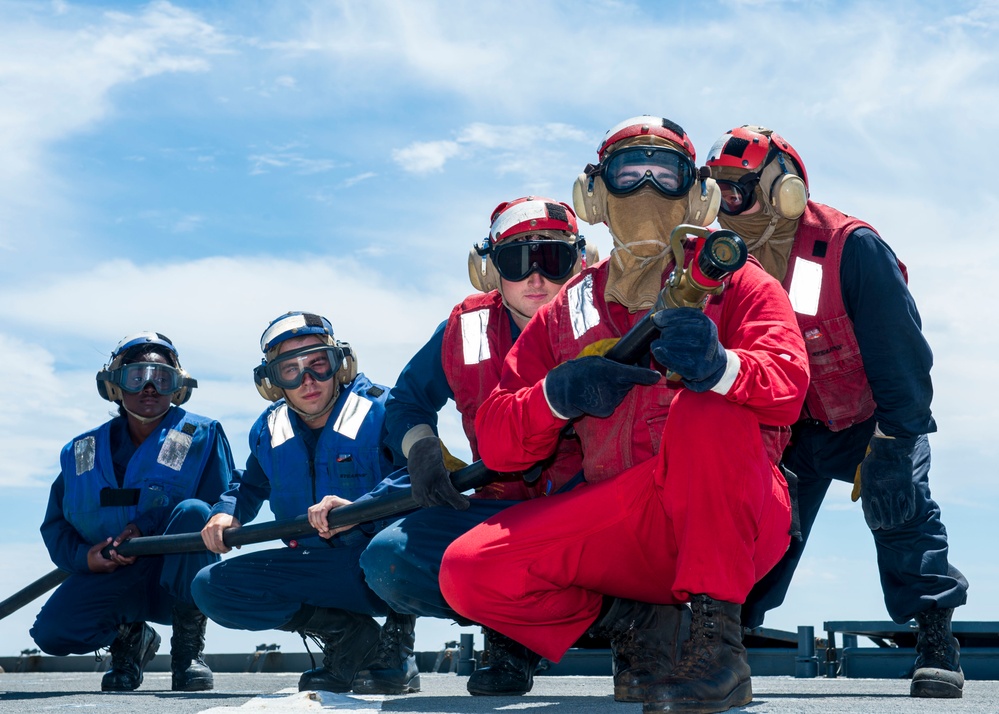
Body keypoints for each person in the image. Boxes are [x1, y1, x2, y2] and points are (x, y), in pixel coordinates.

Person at [438, 115, 810, 714]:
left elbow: (790, 384)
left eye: (662, 172)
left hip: (738, 514)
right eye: (626, 171)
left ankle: (718, 648)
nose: (644, 188)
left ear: (697, 192)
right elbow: (499, 444)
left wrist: (721, 368)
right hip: (628, 520)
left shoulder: (739, 279)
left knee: (707, 408)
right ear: (594, 194)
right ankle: (632, 618)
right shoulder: (564, 310)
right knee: (467, 571)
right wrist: (558, 394)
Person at [705, 125, 969, 699]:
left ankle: (935, 640)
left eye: (740, 189)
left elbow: (900, 349)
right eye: (720, 190)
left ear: (783, 189)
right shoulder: (718, 261)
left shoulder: (851, 247)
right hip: (790, 426)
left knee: (901, 508)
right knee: (759, 520)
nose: (729, 204)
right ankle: (727, 638)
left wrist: (896, 440)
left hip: (873, 419)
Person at [358, 196, 591, 696]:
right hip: (502, 508)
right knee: (389, 560)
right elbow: (406, 402)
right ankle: (509, 633)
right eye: (516, 260)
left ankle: (635, 623)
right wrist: (423, 451)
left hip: (593, 509)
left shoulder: (612, 317)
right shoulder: (463, 331)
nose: (536, 278)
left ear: (580, 261)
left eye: (552, 259)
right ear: (488, 268)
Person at [190, 311, 413, 695]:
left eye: (317, 364)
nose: (307, 381)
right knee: (212, 587)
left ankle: (398, 644)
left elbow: (423, 473)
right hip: (319, 566)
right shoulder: (267, 429)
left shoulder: (387, 409)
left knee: (390, 552)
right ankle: (349, 634)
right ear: (271, 382)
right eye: (289, 371)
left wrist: (361, 507)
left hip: (386, 563)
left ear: (340, 363)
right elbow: (248, 485)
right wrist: (226, 511)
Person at [31, 332, 235, 692]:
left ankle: (188, 653)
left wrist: (146, 525)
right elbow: (56, 524)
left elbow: (220, 507)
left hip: (176, 575)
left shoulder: (202, 436)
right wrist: (85, 558)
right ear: (113, 385)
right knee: (52, 633)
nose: (150, 387)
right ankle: (130, 637)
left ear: (179, 386)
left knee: (193, 511)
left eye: (162, 377)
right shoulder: (82, 451)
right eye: (136, 377)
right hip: (112, 575)